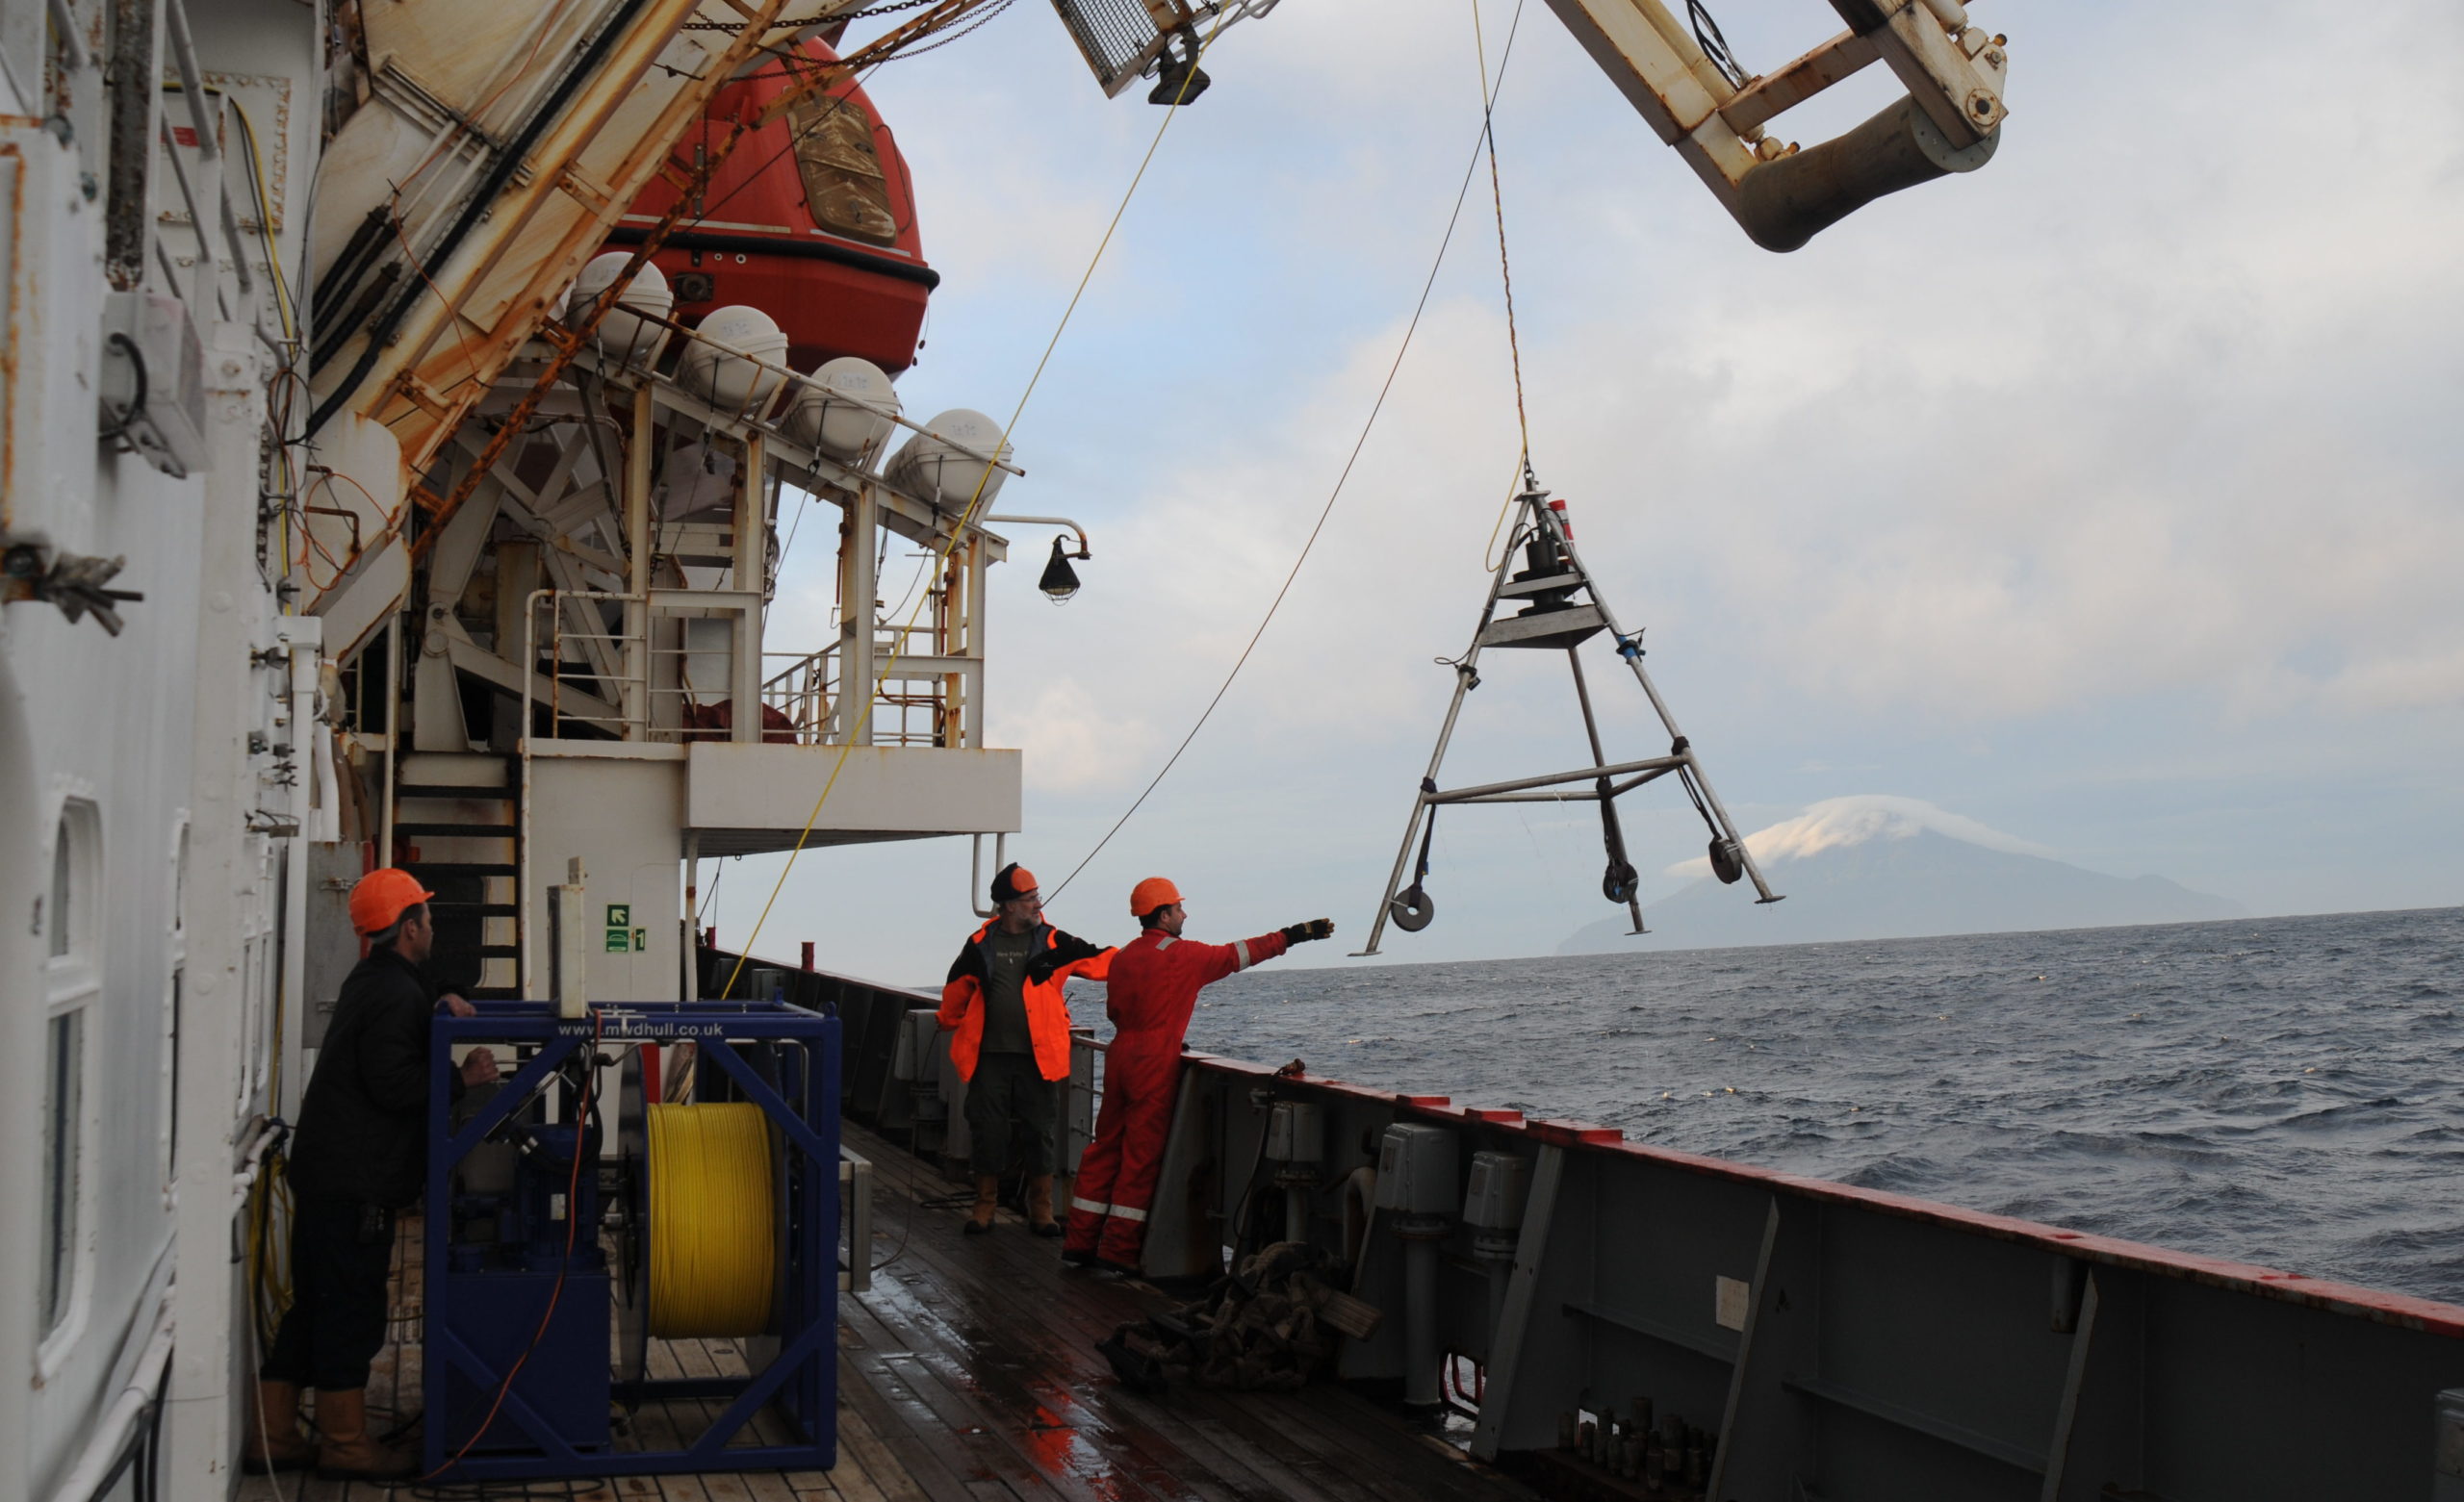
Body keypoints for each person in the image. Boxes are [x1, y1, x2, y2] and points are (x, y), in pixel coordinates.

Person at [244, 869, 500, 1481]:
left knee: (313, 1307)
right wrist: (464, 1081)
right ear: (410, 928)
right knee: (351, 1313)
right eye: (429, 920)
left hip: (329, 1176)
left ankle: (273, 1435)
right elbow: (391, 1086)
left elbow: (422, 994)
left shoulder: (379, 979)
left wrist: (446, 995)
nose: (433, 927)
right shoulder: (394, 994)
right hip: (355, 1185)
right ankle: (346, 1446)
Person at [1065, 878, 1331, 1272]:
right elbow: (1241, 954)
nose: (1184, 914)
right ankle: (1117, 1252)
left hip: (1120, 1055)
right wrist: (1295, 935)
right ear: (1163, 914)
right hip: (1154, 1060)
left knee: (1104, 1149)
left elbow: (1116, 1012)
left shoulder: (1122, 957)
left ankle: (1079, 1242)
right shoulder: (1182, 955)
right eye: (1178, 908)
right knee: (1140, 1157)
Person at [937, 863, 1115, 1235]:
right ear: (1008, 905)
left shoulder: (1053, 942)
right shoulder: (979, 945)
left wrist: (1144, 956)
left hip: (1040, 1058)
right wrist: (950, 1019)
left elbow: (1102, 961)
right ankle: (984, 1208)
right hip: (989, 1058)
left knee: (1040, 1131)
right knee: (987, 1130)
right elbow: (957, 987)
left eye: (1037, 896)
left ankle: (1042, 1210)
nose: (1038, 903)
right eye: (1031, 898)